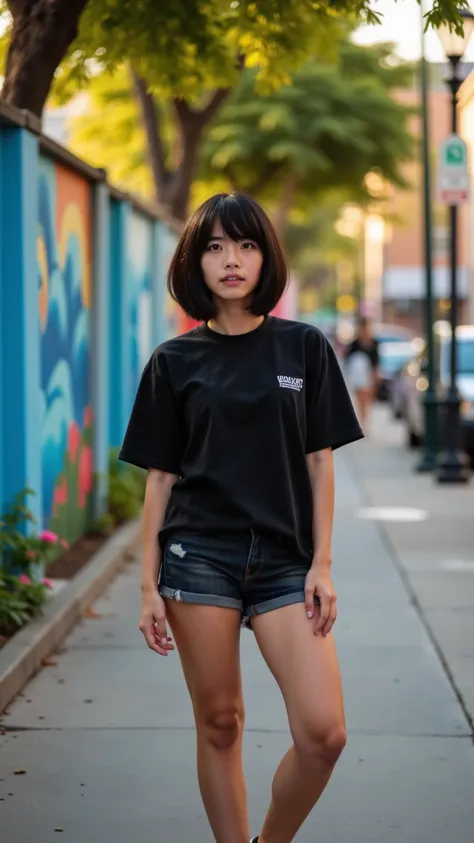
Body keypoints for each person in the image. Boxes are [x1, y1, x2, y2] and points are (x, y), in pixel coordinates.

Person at [119, 192, 364, 843]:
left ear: (266, 258)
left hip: (285, 561)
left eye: (247, 245)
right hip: (198, 558)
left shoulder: (304, 348)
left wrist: (322, 563)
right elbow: (160, 480)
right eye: (216, 246)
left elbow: (320, 462)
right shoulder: (174, 361)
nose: (232, 260)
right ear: (195, 263)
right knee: (221, 721)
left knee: (324, 733)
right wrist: (147, 586)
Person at [344, 316, 380, 431]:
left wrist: (375, 374)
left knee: (368, 400)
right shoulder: (355, 343)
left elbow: (376, 360)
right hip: (358, 375)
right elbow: (348, 359)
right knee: (361, 400)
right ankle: (362, 422)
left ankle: (365, 423)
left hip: (369, 374)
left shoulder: (374, 343)